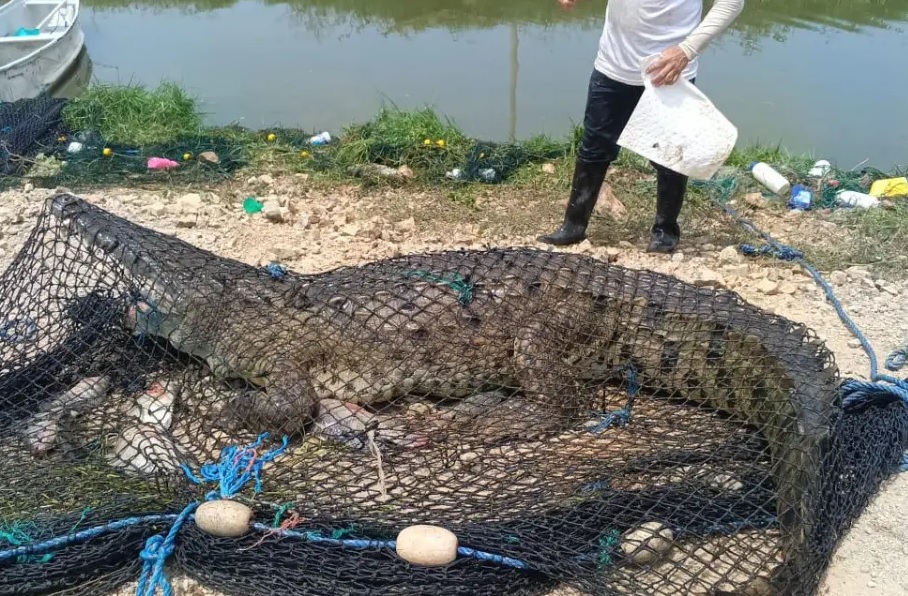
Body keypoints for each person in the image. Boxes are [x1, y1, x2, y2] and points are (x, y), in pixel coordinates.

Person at [538, 0, 745, 253]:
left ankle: (665, 232)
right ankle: (573, 227)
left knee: (671, 155)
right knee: (594, 148)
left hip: (670, 72)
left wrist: (687, 50)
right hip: (613, 65)